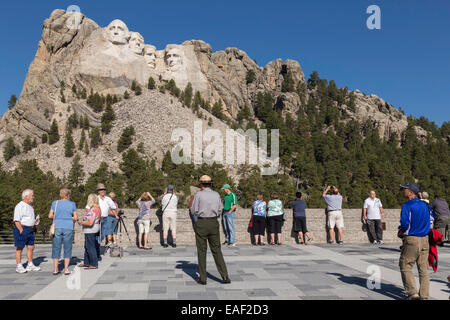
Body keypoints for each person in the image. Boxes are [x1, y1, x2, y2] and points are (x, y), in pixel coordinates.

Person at [191, 175, 231, 285]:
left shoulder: (198, 195)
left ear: (201, 184)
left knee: (202, 251)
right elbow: (219, 210)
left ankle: (203, 278)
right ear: (210, 184)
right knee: (217, 250)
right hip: (214, 222)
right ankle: (225, 276)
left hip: (202, 222)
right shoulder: (216, 194)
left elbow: (194, 210)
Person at [398, 183, 430, 300]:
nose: (403, 191)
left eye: (405, 189)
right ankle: (424, 295)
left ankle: (413, 293)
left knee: (405, 264)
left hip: (412, 239)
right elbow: (431, 219)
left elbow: (405, 224)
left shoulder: (407, 205)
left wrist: (402, 231)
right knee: (423, 268)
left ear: (411, 192)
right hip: (425, 239)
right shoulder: (426, 205)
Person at [49, 189, 78, 275]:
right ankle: (66, 269)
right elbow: (75, 217)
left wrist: (58, 216)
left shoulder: (55, 203)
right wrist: (68, 217)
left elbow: (50, 215)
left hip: (57, 227)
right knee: (67, 248)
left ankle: (55, 269)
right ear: (68, 195)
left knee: (56, 248)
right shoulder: (72, 204)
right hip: (68, 227)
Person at [13, 189, 41, 274]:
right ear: (26, 196)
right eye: (32, 195)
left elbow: (28, 218)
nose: (33, 197)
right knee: (20, 248)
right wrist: (21, 230)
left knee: (31, 247)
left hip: (30, 229)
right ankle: (19, 266)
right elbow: (16, 220)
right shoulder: (19, 206)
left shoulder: (30, 206)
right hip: (22, 228)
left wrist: (34, 222)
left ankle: (30, 264)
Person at [78, 194, 102, 270]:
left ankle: (94, 264)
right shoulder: (97, 208)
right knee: (87, 246)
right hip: (93, 229)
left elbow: (90, 222)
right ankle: (87, 262)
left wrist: (81, 223)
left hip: (91, 230)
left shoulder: (93, 209)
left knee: (90, 247)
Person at [96, 184, 118, 248]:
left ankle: (97, 244)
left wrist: (116, 215)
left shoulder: (108, 199)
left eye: (104, 190)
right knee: (97, 234)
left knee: (103, 234)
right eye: (101, 190)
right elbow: (88, 207)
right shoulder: (96, 198)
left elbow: (113, 207)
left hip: (105, 219)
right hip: (97, 219)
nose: (103, 191)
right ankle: (96, 247)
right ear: (98, 191)